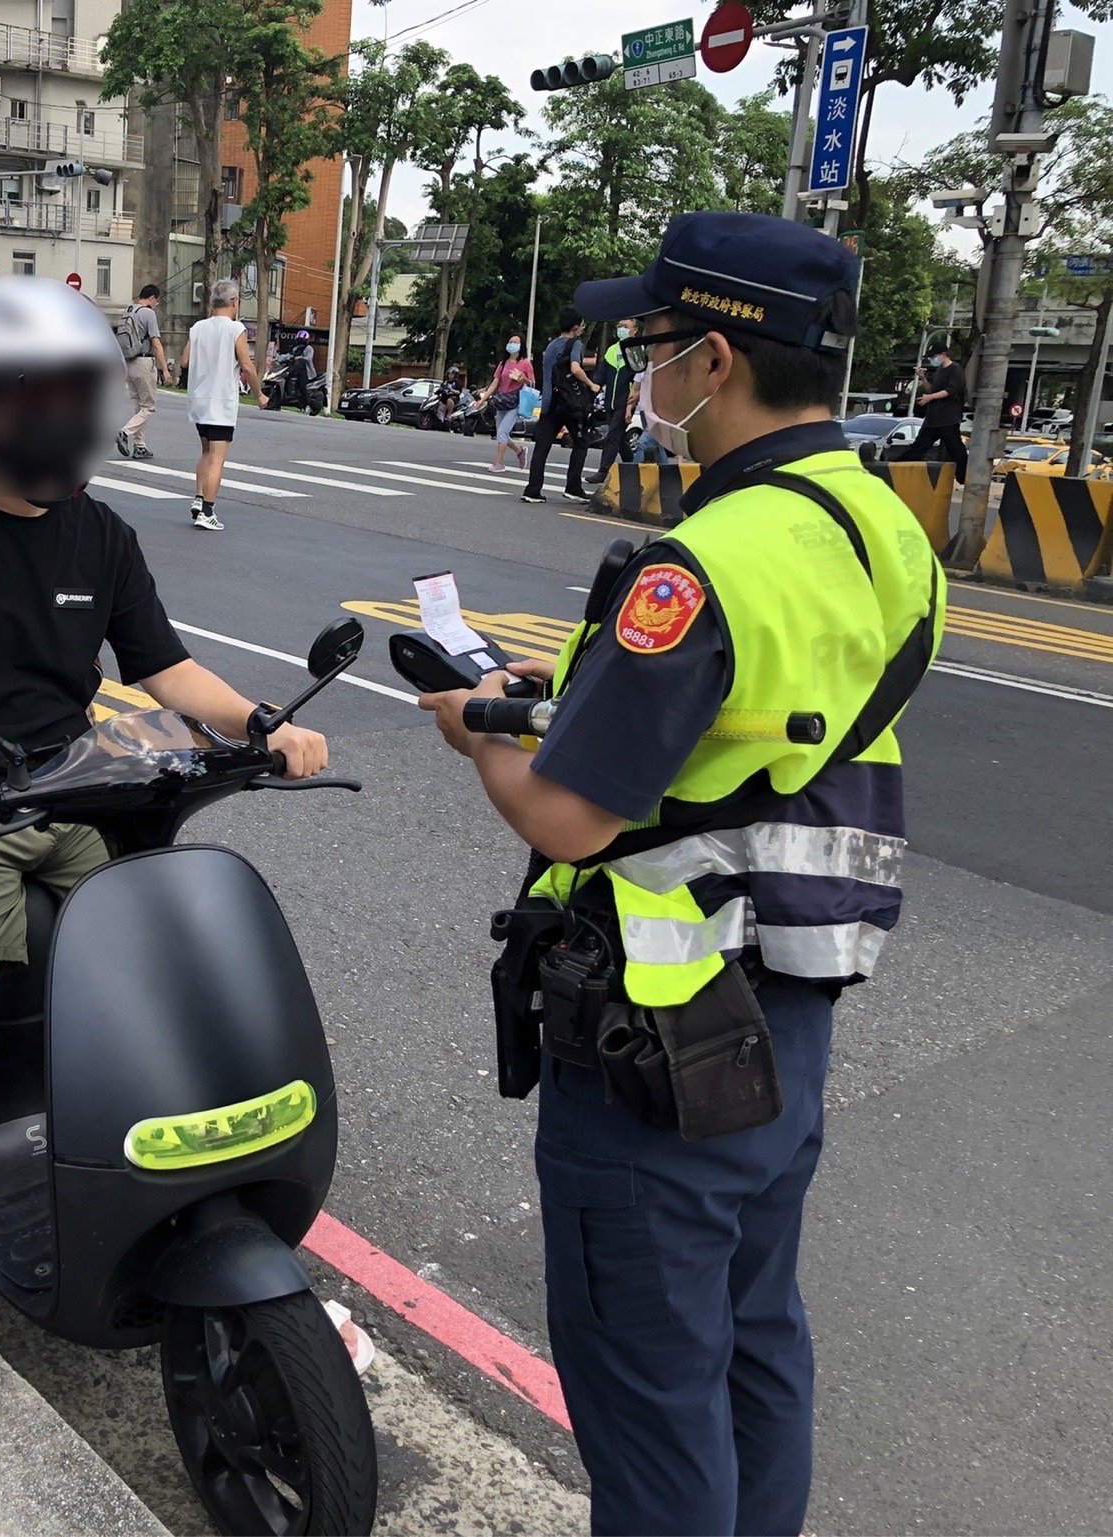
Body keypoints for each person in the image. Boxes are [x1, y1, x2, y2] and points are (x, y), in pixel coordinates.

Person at [420, 211, 944, 1537]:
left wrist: (479, 737)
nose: (633, 369)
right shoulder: (884, 528)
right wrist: (582, 690)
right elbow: (770, 723)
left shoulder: (703, 559)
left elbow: (569, 821)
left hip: (657, 1038)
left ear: (714, 359)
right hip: (790, 1020)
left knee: (651, 1399)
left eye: (647, 343)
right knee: (754, 1344)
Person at [0, 275, 353, 1494]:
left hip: (72, 787)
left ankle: (220, 1227)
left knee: (168, 987)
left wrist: (263, 723)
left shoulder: (99, 532)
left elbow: (163, 666)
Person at [181, 278, 257, 531]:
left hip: (199, 402)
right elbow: (246, 365)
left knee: (206, 452)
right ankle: (208, 512)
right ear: (234, 302)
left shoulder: (198, 328)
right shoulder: (235, 329)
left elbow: (184, 361)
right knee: (217, 458)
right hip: (221, 404)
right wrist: (259, 394)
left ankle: (199, 497)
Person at [522, 306, 598, 504]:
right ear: (575, 327)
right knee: (581, 442)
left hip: (549, 403)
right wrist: (591, 384)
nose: (582, 328)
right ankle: (573, 488)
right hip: (569, 404)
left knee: (542, 448)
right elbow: (575, 368)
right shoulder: (575, 344)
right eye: (581, 325)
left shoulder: (551, 345)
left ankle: (532, 490)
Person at [114, 284, 174, 459]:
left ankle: (140, 446)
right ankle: (124, 432)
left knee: (139, 407)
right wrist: (165, 369)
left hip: (129, 363)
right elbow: (156, 343)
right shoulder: (148, 313)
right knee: (148, 407)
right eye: (157, 301)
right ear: (152, 298)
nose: (156, 304)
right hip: (144, 362)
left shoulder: (129, 311)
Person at [898, 343, 968, 480]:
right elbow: (932, 390)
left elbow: (950, 391)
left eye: (933, 357)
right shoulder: (940, 371)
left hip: (948, 418)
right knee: (918, 447)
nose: (932, 360)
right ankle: (897, 470)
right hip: (933, 418)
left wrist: (929, 398)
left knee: (955, 448)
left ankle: (963, 477)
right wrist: (923, 378)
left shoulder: (955, 370)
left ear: (943, 354)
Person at [583, 321, 639, 484]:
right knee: (619, 438)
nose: (621, 329)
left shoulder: (637, 351)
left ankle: (602, 471)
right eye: (619, 326)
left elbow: (639, 378)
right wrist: (593, 387)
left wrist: (631, 403)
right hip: (610, 402)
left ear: (635, 331)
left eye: (626, 327)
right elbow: (601, 375)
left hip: (626, 401)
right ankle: (632, 466)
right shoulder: (612, 350)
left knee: (612, 435)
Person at [486, 334, 535, 474]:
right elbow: (495, 383)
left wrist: (523, 379)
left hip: (515, 402)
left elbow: (532, 384)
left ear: (521, 346)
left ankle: (499, 463)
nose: (512, 344)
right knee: (501, 434)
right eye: (510, 341)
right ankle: (520, 451)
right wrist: (481, 400)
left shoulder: (525, 363)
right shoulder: (503, 363)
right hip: (502, 401)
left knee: (502, 432)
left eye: (515, 342)